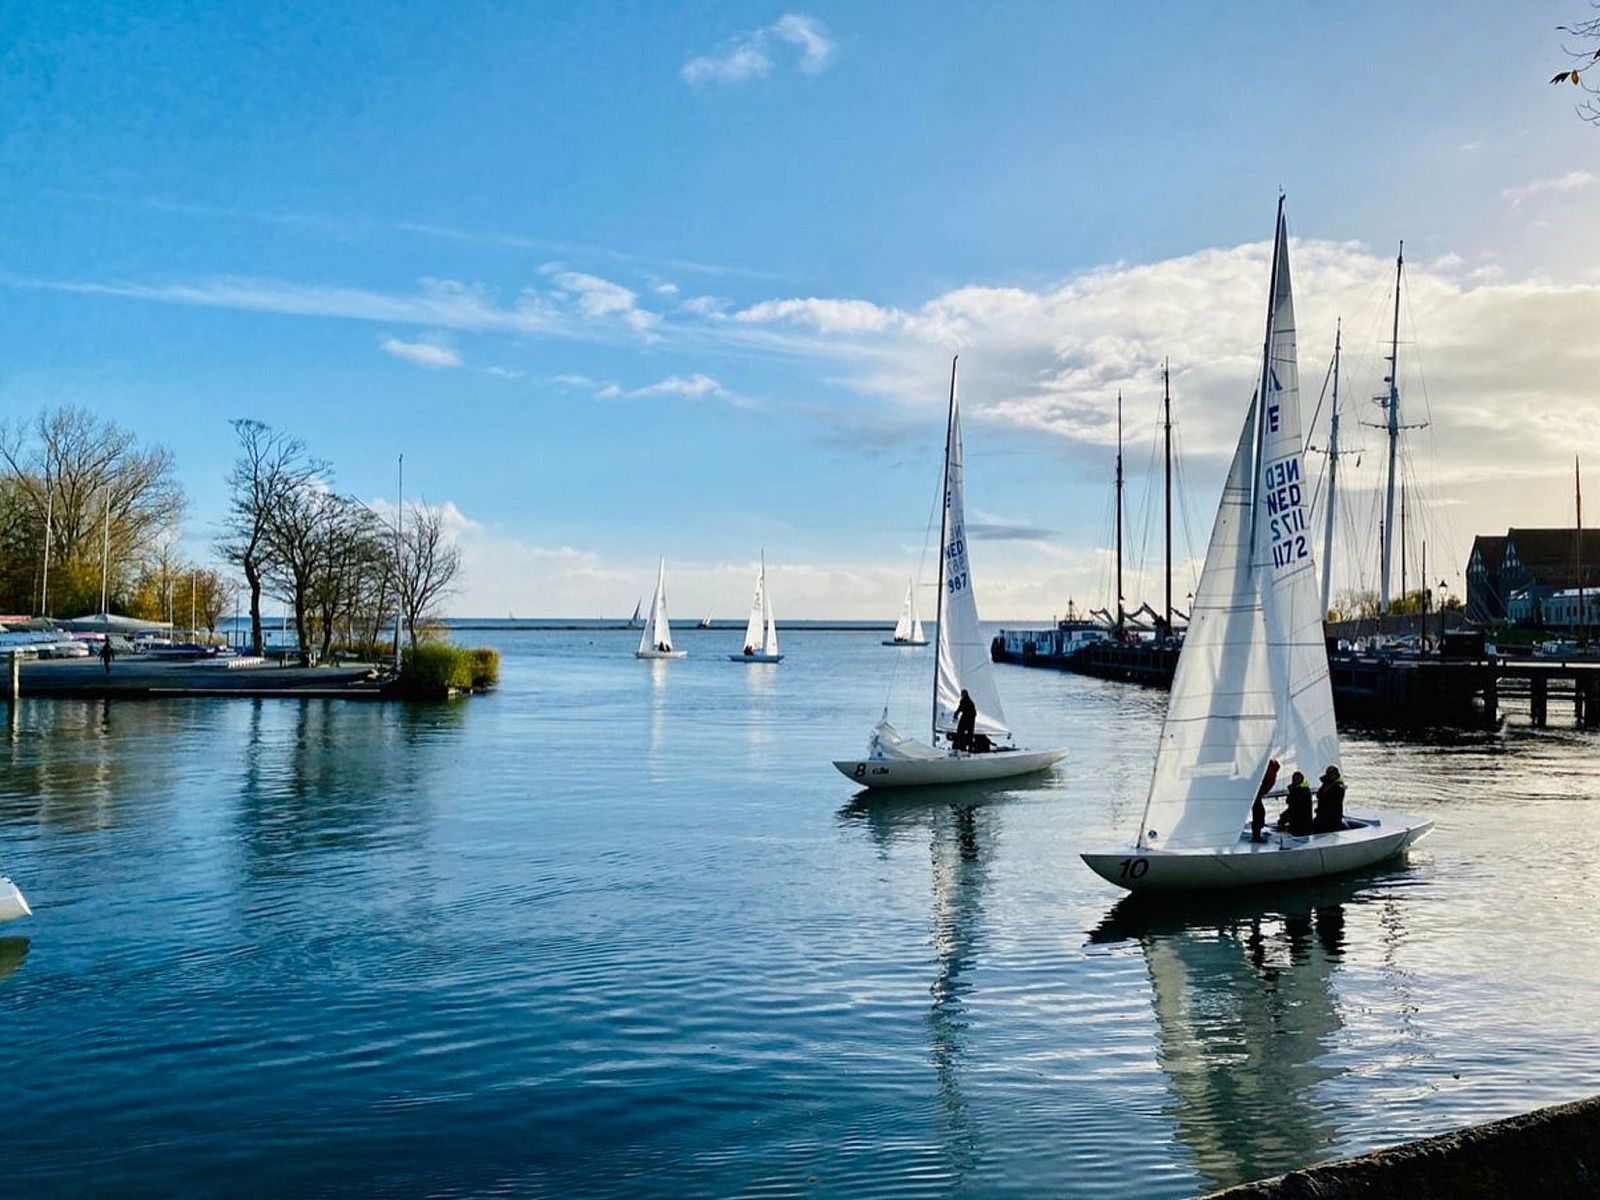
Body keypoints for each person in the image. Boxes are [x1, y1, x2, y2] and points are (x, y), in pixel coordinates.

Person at [1252, 758, 1280, 843]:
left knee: (1259, 813)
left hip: (1255, 793)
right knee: (1259, 813)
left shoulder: (1269, 770)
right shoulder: (1271, 772)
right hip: (1256, 793)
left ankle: (1256, 833)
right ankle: (1256, 834)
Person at [1277, 770, 1313, 836]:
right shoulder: (1298, 790)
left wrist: (1284, 818)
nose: (1296, 780)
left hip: (1301, 826)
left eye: (1298, 778)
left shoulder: (1303, 791)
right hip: (1299, 823)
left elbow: (1295, 807)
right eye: (1295, 779)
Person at [1313, 766, 1346, 834]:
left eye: (1332, 774)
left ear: (1336, 775)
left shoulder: (1339, 787)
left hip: (1332, 818)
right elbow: (1318, 795)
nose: (1330, 776)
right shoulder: (1326, 784)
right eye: (1329, 774)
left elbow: (1334, 802)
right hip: (1322, 816)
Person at [953, 688, 977, 752]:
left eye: (963, 694)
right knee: (964, 734)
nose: (962, 695)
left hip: (968, 719)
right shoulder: (965, 701)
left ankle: (966, 747)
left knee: (965, 734)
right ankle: (963, 747)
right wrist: (956, 714)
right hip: (967, 719)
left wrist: (956, 714)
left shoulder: (968, 702)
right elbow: (960, 708)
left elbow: (973, 713)